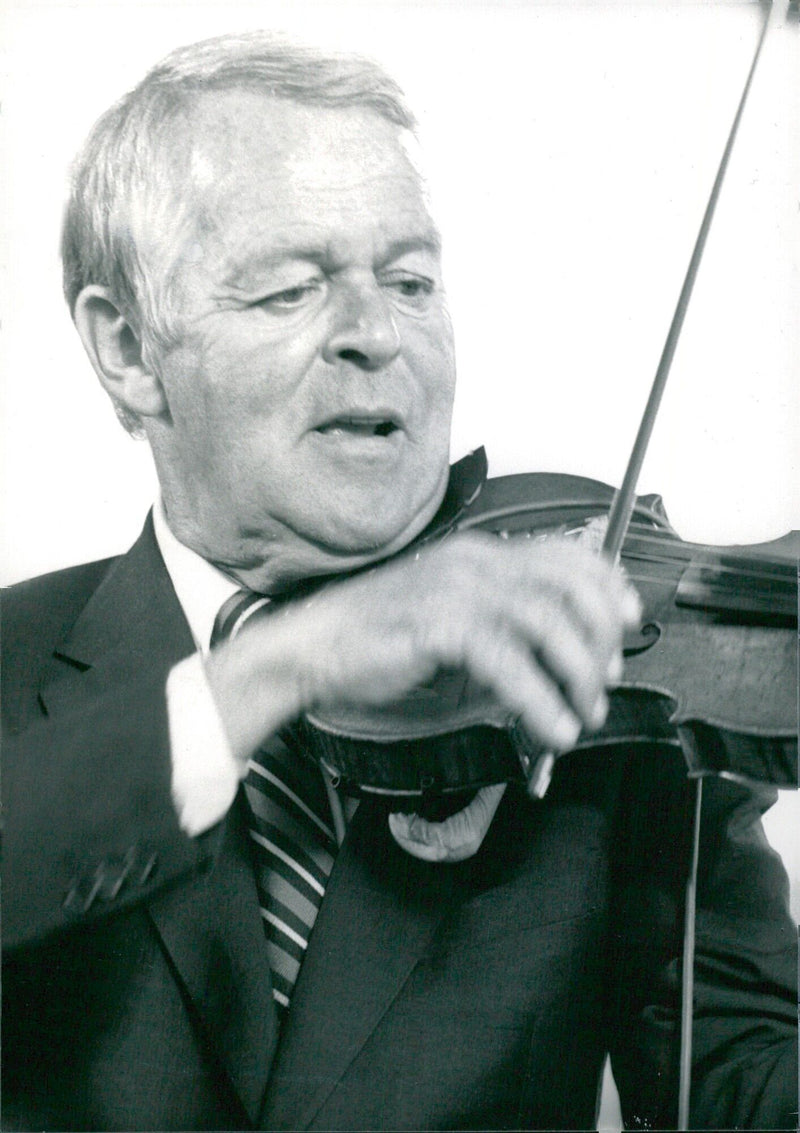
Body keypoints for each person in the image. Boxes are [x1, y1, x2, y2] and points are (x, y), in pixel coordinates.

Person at [2, 31, 796, 1132]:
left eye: (410, 280)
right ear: (129, 349)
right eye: (289, 290)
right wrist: (276, 664)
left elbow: (749, 1082)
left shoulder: (593, 677)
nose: (375, 334)